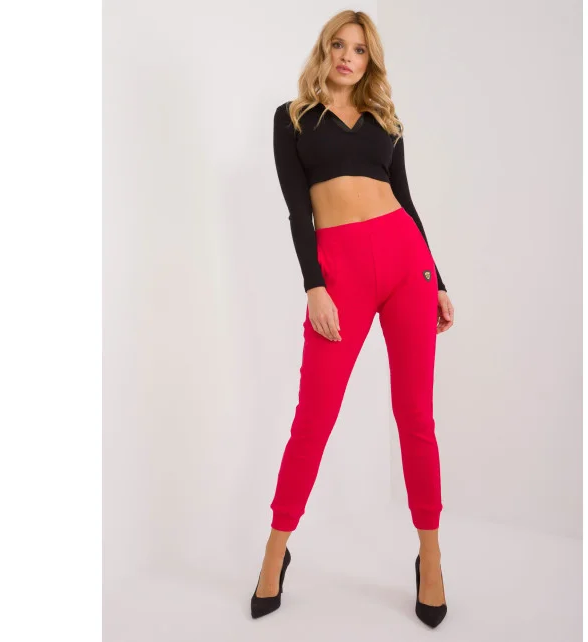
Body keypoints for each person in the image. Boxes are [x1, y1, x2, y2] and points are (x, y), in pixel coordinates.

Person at [250, 10, 454, 628]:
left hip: (407, 264)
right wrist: (314, 285)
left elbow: (406, 199)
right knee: (313, 417)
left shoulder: (385, 121)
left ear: (370, 60)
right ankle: (275, 551)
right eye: (338, 45)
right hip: (339, 273)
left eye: (359, 49)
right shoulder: (293, 118)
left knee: (415, 415)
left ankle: (430, 558)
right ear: (324, 50)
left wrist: (438, 278)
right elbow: (298, 211)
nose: (347, 56)